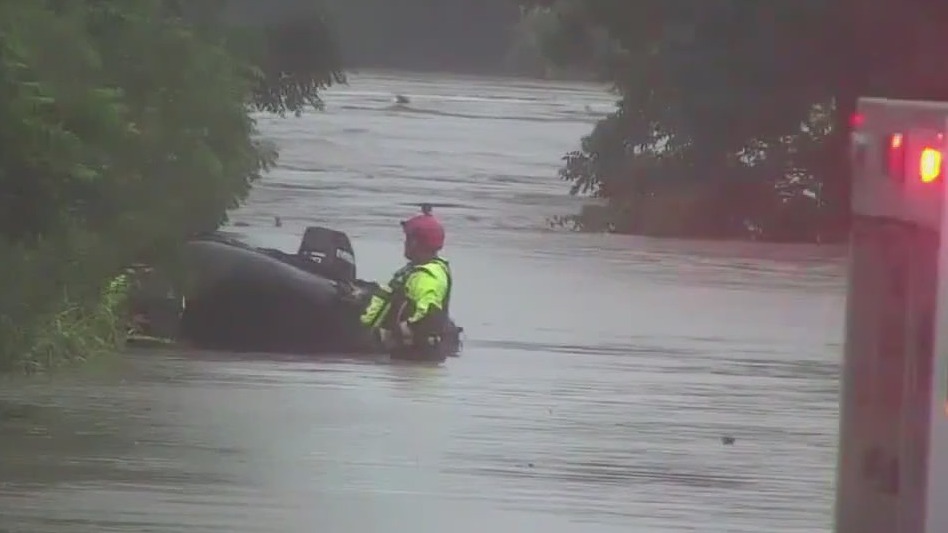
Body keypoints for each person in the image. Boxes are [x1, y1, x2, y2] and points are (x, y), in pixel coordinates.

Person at [359, 204, 454, 360]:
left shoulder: (427, 277)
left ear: (416, 242)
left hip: (417, 360)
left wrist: (390, 335)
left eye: (408, 239)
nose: (405, 243)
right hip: (405, 358)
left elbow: (428, 317)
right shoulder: (413, 271)